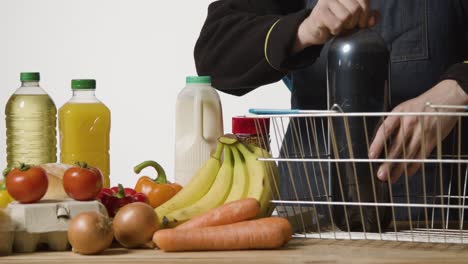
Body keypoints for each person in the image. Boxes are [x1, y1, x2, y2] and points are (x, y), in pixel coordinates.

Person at [194, 0, 468, 228]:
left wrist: (457, 89)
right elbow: (215, 51)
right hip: (310, 223)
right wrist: (302, 30)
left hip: (442, 221)